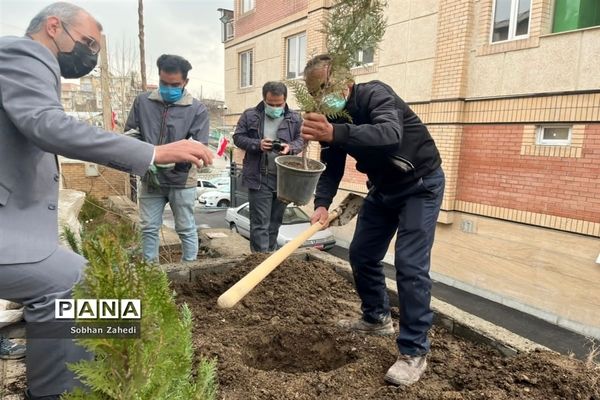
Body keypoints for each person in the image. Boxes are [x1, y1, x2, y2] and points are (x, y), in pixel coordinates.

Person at [0, 3, 213, 399]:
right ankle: (60, 390)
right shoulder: (24, 53)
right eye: (87, 44)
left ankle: (122, 352)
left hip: (16, 226)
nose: (91, 56)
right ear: (53, 27)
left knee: (100, 306)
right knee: (79, 285)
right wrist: (154, 153)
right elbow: (47, 125)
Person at [300, 54, 445, 386]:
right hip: (384, 187)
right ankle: (377, 318)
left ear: (346, 83)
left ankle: (413, 352)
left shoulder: (375, 94)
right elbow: (332, 164)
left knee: (409, 265)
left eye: (326, 88)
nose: (322, 97)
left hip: (420, 184)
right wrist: (322, 204)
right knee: (362, 253)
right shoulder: (331, 116)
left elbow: (389, 134)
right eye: (315, 92)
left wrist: (336, 132)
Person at [125, 54, 209, 263]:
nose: (168, 88)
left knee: (186, 227)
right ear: (159, 77)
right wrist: (146, 158)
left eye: (175, 84)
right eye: (164, 83)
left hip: (182, 180)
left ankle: (188, 269)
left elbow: (199, 146)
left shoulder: (197, 109)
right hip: (151, 177)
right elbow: (131, 135)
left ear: (185, 82)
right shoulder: (142, 102)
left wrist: (175, 161)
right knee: (148, 227)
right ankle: (150, 271)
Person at [233, 81, 303, 252]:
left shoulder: (294, 118)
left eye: (279, 104)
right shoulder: (250, 115)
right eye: (270, 104)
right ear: (264, 99)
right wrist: (257, 144)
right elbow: (238, 137)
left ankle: (269, 261)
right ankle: (258, 264)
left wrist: (290, 147)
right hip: (259, 178)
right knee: (260, 225)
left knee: (274, 223)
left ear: (285, 100)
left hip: (284, 179)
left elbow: (302, 140)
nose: (275, 107)